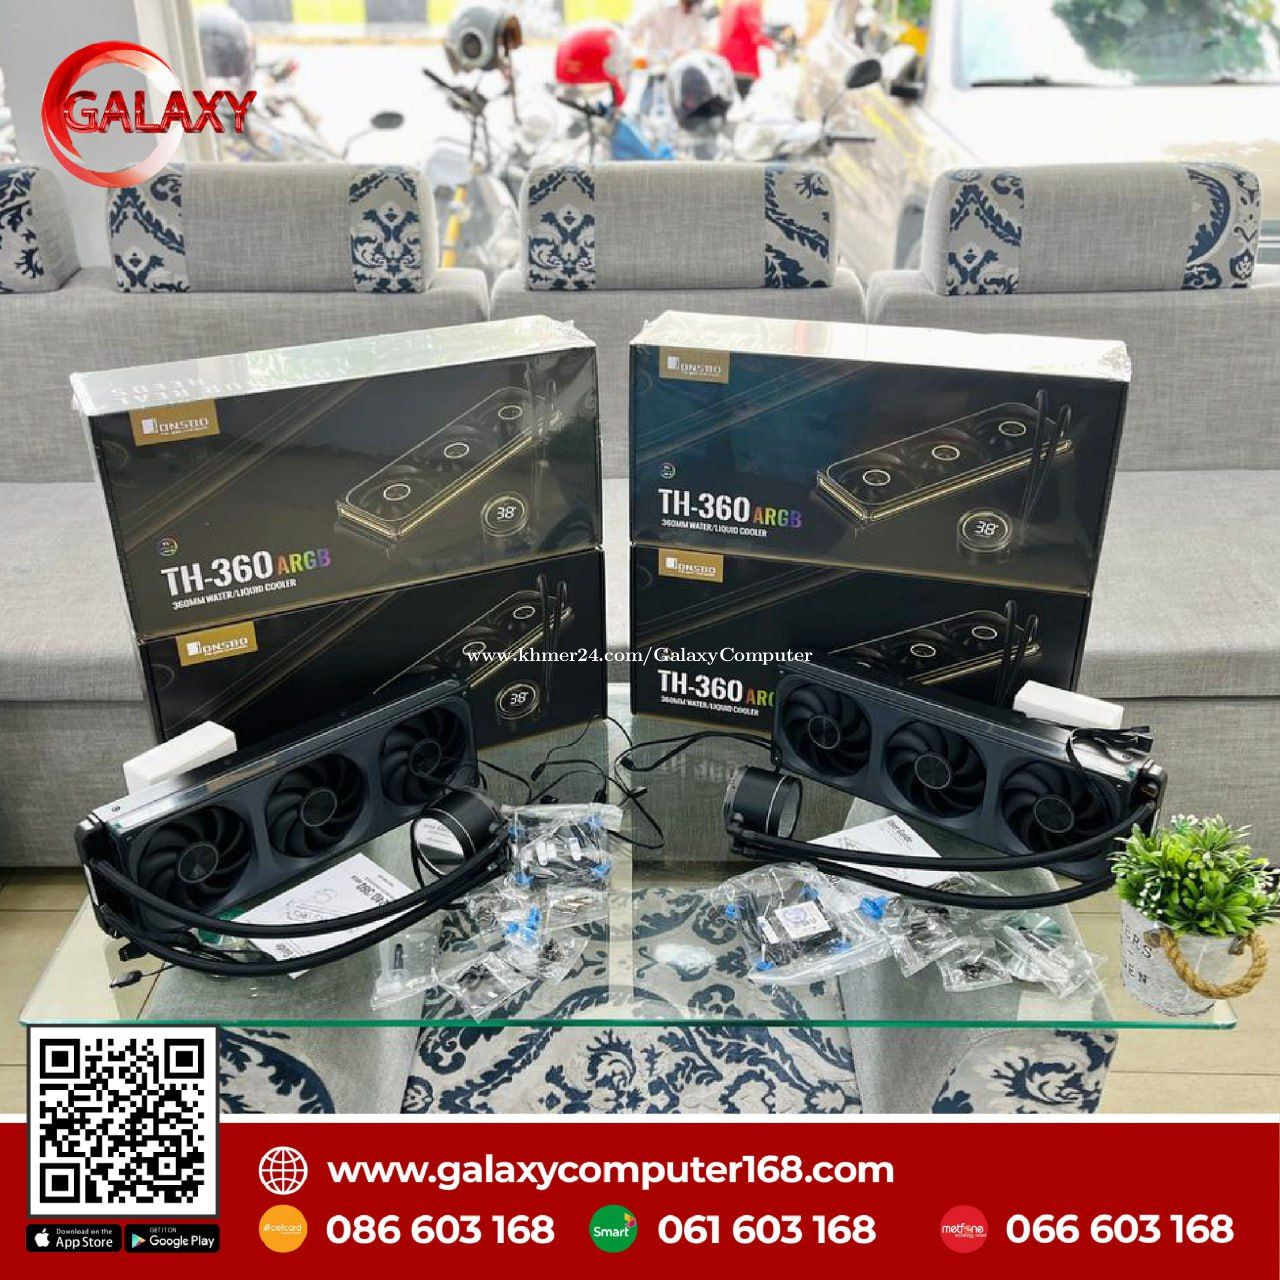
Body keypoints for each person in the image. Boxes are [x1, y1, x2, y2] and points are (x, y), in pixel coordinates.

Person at [627, 0, 708, 66]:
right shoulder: (655, 5)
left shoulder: (702, 12)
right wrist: (647, 59)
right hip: (655, 72)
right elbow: (629, 35)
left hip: (687, 74)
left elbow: (703, 46)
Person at [718, 0, 770, 97]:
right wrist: (777, 45)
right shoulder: (749, 4)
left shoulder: (729, 3)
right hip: (743, 67)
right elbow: (757, 35)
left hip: (725, 63)